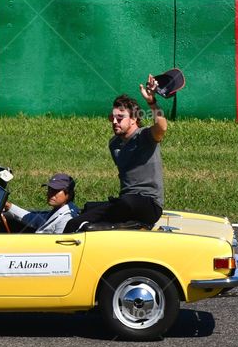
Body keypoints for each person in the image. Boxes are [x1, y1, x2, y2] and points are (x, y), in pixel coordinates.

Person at [63, 76, 167, 233]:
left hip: (149, 205)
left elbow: (162, 127)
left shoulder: (145, 136)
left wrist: (151, 101)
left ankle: (134, 223)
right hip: (126, 201)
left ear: (133, 119)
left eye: (120, 117)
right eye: (113, 117)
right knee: (85, 212)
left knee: (124, 203)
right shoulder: (114, 144)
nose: (114, 122)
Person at [4, 173, 79, 234]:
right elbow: (31, 219)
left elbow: (58, 247)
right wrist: (9, 206)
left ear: (69, 195)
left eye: (56, 191)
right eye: (50, 189)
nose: (50, 193)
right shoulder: (57, 211)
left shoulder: (66, 218)